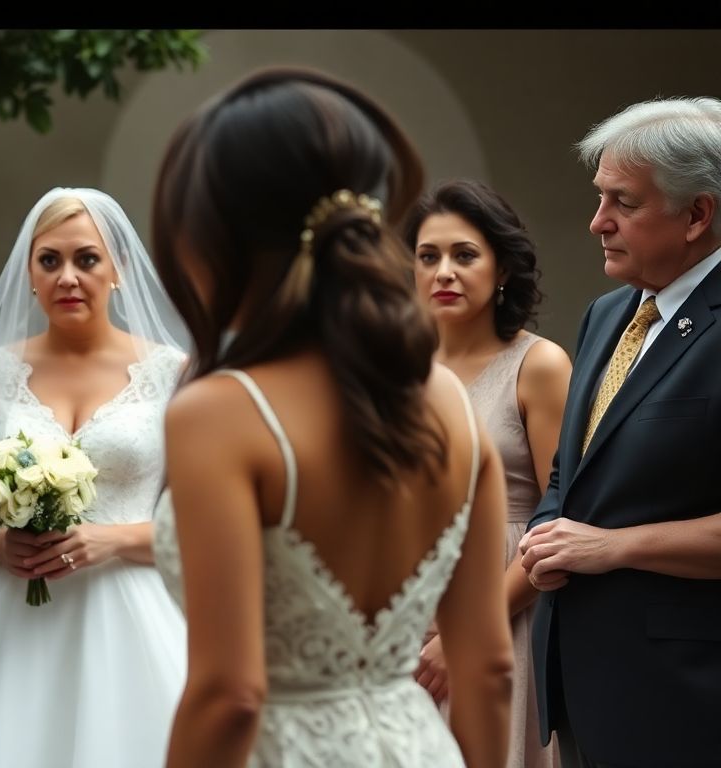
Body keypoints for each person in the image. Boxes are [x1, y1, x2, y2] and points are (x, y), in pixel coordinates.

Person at [149, 67, 513, 767]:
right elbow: (490, 670)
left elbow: (229, 695)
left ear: (217, 233)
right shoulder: (449, 404)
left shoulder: (219, 415)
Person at [0, 187, 191, 768]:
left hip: (134, 613)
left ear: (119, 269)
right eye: (49, 260)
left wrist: (114, 539)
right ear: (29, 272)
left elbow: (202, 524)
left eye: (87, 259)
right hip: (10, 619)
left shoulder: (174, 375)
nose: (68, 277)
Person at [519, 97, 721, 768]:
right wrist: (547, 534)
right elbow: (571, 474)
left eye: (623, 203)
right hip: (579, 686)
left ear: (698, 214)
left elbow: (605, 533)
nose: (596, 222)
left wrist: (611, 548)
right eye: (599, 196)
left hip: (687, 702)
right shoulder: (608, 313)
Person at [404, 179, 572, 768]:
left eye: (464, 255)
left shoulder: (539, 365)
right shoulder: (394, 369)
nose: (444, 271)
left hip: (503, 608)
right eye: (428, 257)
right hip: (401, 615)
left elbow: (563, 521)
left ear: (502, 268)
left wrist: (465, 634)